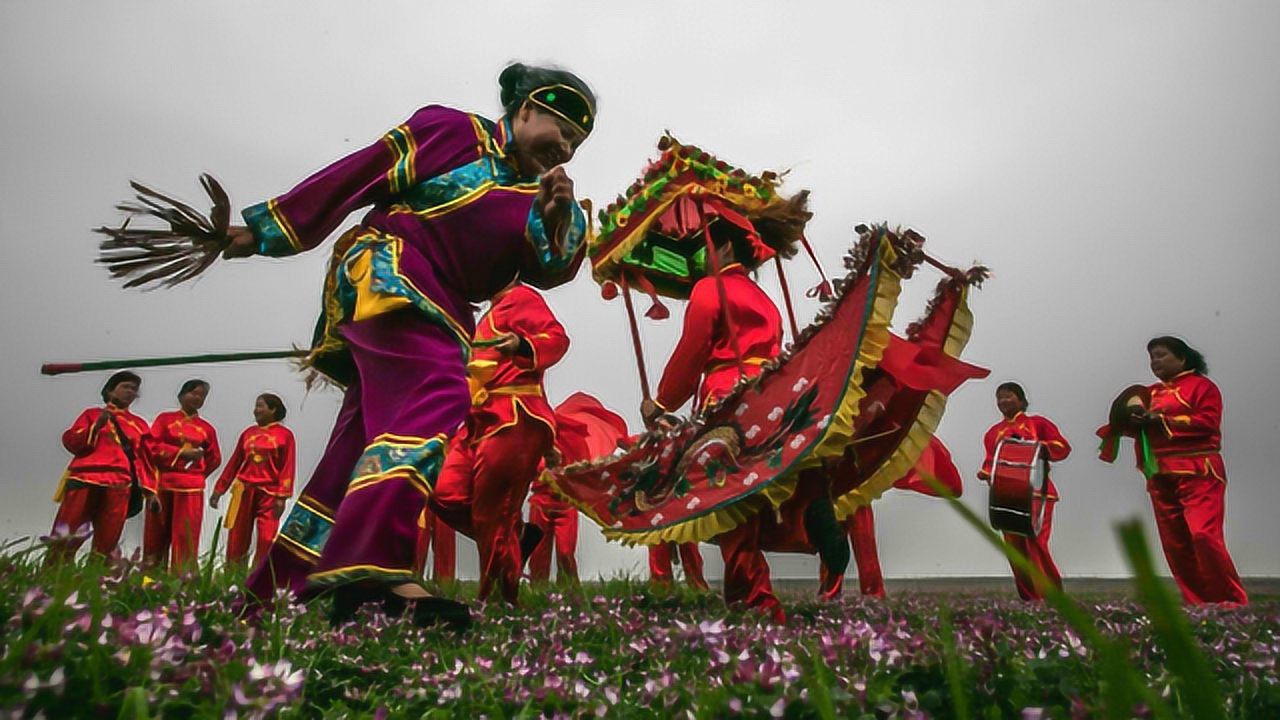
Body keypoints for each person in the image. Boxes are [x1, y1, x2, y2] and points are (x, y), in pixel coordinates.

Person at [223, 63, 594, 614]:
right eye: (560, 129)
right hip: (390, 275)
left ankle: (274, 592)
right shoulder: (452, 133)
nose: (565, 148)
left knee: (358, 444)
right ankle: (371, 568)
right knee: (437, 391)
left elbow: (551, 268)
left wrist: (557, 220)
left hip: (448, 310)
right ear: (523, 110)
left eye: (576, 143)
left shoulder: (545, 197)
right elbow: (360, 172)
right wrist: (265, 230)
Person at [641, 237, 792, 622]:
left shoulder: (711, 288)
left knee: (727, 496)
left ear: (724, 246)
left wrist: (662, 402)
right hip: (770, 398)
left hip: (728, 398)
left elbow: (692, 349)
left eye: (702, 248)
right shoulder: (763, 298)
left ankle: (753, 597)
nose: (699, 258)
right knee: (751, 495)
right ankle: (752, 590)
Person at [429, 281, 570, 603]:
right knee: (442, 492)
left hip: (512, 416)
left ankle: (497, 602)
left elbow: (557, 339)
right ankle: (515, 535)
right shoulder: (487, 312)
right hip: (477, 421)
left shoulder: (522, 297)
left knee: (493, 513)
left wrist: (522, 344)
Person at [1098, 337, 1247, 605]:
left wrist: (1163, 420)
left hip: (1198, 470)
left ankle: (1230, 600)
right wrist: (1128, 421)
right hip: (1160, 473)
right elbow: (1133, 427)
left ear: (1183, 357)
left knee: (1202, 535)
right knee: (1175, 543)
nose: (1155, 361)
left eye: (1161, 355)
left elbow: (1208, 423)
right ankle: (1198, 602)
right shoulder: (1150, 393)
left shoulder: (1202, 387)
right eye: (1152, 357)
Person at [48, 371, 156, 562]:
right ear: (110, 390)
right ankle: (54, 572)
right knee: (67, 532)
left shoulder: (139, 425)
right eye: (125, 387)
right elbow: (71, 441)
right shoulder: (91, 414)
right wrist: (95, 427)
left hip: (120, 483)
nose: (130, 392)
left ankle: (97, 574)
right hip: (85, 477)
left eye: (134, 389)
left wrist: (151, 492)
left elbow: (145, 459)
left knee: (108, 538)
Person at [978, 382, 1071, 601]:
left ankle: (1052, 596)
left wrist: (1037, 446)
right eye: (999, 397)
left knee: (1035, 542)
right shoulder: (993, 433)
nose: (1003, 401)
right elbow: (991, 462)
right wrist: (985, 473)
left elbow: (1062, 448)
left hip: (1038, 493)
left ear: (1021, 400)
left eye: (1008, 396)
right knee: (1015, 548)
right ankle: (1030, 597)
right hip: (1006, 496)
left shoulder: (1037, 423)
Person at [145, 379, 222, 571]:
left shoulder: (207, 428)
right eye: (193, 393)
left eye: (202, 396)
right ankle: (150, 577)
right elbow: (151, 447)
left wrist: (197, 472)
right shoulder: (165, 419)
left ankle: (182, 579)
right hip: (163, 483)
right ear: (181, 395)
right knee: (156, 533)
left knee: (185, 535)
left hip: (191, 488)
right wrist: (180, 453)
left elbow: (215, 458)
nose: (197, 398)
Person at [211, 394, 295, 568]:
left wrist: (282, 497)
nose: (256, 410)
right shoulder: (248, 433)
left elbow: (288, 466)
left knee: (266, 537)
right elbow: (234, 463)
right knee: (237, 537)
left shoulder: (285, 436)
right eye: (256, 406)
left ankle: (259, 575)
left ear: (273, 409)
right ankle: (233, 575)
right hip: (243, 490)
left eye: (260, 406)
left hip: (269, 493)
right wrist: (219, 490)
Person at [413, 507, 457, 583]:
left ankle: (445, 584)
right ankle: (411, 579)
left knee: (445, 540)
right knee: (418, 540)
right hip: (423, 502)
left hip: (447, 503)